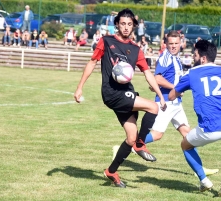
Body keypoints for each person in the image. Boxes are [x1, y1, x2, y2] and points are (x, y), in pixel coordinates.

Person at [74, 8, 166, 188]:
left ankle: (112, 171)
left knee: (130, 137)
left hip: (126, 93)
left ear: (134, 26)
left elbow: (148, 73)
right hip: (112, 93)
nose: (126, 27)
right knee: (152, 108)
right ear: (117, 24)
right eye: (122, 23)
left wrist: (161, 95)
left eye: (129, 24)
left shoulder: (136, 49)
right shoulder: (106, 41)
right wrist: (79, 88)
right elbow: (92, 62)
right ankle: (141, 144)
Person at [168, 40, 221, 198]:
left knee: (186, 145)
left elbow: (171, 95)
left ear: (202, 58)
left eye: (195, 54)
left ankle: (204, 180)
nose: (193, 57)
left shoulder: (192, 73)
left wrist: (181, 91)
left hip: (209, 128)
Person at [143, 31, 218, 176]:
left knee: (188, 135)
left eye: (176, 43)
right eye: (170, 43)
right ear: (166, 44)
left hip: (176, 103)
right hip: (166, 102)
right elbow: (157, 78)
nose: (173, 46)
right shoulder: (166, 57)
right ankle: (129, 145)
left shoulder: (176, 58)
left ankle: (200, 170)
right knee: (157, 135)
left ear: (181, 43)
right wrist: (175, 88)